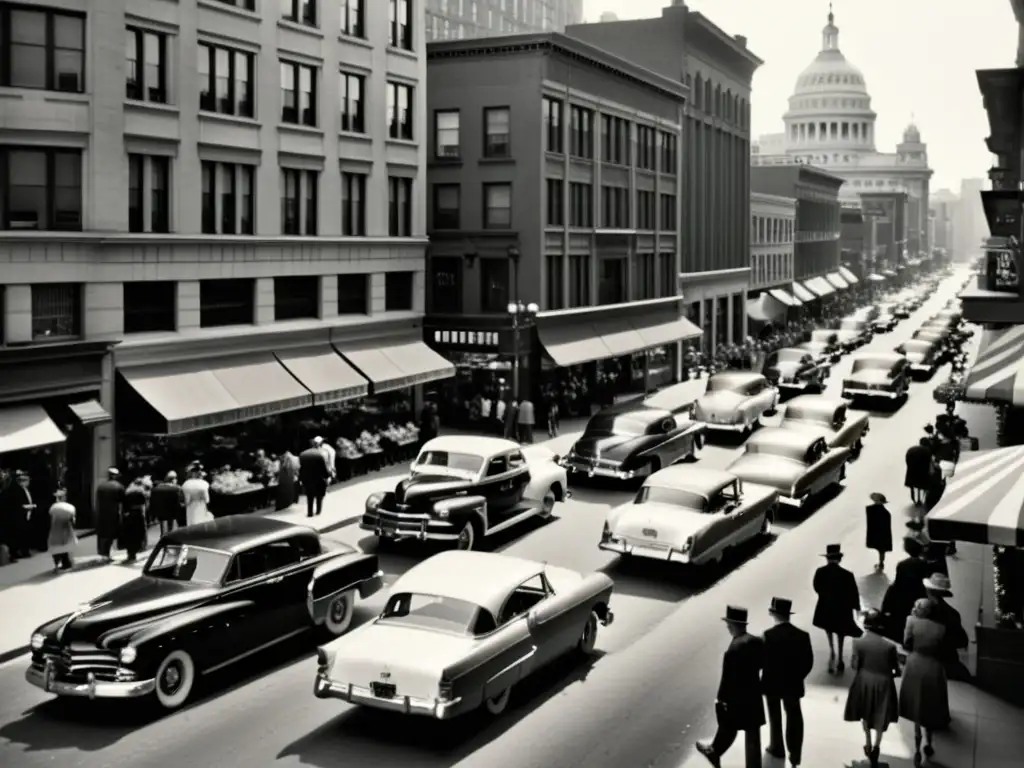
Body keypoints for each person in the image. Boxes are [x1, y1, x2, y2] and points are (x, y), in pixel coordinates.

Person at [695, 606, 765, 768]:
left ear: (732, 625)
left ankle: (714, 752)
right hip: (754, 694)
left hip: (737, 697)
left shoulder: (733, 650)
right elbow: (763, 664)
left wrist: (721, 699)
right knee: (752, 732)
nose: (727, 627)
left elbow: (727, 679)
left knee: (729, 726)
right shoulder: (757, 642)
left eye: (728, 624)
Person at [843, 609, 900, 767]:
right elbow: (895, 670)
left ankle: (867, 742)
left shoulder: (858, 642)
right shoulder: (889, 646)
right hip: (884, 683)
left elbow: (854, 665)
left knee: (865, 713)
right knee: (881, 715)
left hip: (864, 681)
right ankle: (877, 746)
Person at [761, 597, 813, 767]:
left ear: (772, 613)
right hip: (793, 682)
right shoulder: (803, 636)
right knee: (794, 715)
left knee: (775, 716)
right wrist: (798, 676)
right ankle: (795, 753)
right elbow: (808, 662)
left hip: (772, 682)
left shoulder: (767, 635)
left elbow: (761, 661)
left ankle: (777, 747)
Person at [900, 598, 951, 765]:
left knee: (916, 706)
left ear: (922, 609)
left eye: (917, 606)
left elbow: (906, 643)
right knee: (930, 705)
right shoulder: (941, 628)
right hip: (934, 667)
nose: (914, 608)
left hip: (915, 664)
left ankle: (916, 748)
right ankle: (929, 743)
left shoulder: (911, 621)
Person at [812, 544, 863, 675]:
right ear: (839, 559)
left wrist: (825, 595)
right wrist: (856, 608)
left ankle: (832, 651)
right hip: (842, 607)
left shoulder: (820, 572)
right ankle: (840, 656)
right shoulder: (847, 575)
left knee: (828, 629)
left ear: (827, 559)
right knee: (841, 632)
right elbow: (853, 592)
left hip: (826, 606)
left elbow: (816, 587)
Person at [880, 538, 930, 643]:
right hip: (917, 595)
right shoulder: (923, 564)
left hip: (902, 597)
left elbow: (897, 583)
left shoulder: (902, 565)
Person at [922, 573, 970, 681]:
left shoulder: (925, 612)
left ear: (928, 591)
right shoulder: (953, 613)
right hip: (949, 661)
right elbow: (962, 641)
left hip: (932, 662)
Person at [2, 471, 36, 560]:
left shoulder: (16, 489)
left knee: (21, 534)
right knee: (21, 534)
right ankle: (21, 552)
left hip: (20, 515)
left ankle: (19, 552)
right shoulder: (15, 490)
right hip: (18, 515)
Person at [94, 467, 125, 561]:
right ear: (116, 476)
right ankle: (109, 551)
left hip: (102, 513)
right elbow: (123, 501)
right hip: (114, 513)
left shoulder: (101, 486)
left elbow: (98, 501)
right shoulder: (119, 486)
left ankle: (104, 552)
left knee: (103, 533)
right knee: (112, 533)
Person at [46, 487, 77, 573]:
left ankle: (57, 564)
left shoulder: (53, 507)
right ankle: (67, 563)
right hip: (66, 530)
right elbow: (73, 520)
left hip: (55, 530)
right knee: (66, 547)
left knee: (55, 548)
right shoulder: (70, 507)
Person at [120, 477, 150, 563]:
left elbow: (124, 505)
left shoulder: (128, 492)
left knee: (129, 535)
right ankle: (136, 552)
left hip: (129, 515)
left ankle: (130, 554)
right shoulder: (141, 493)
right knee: (138, 534)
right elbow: (145, 505)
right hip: (138, 515)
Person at [299, 439, 330, 518]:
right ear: (315, 445)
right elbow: (323, 468)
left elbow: (301, 468)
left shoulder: (302, 455)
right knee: (319, 495)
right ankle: (318, 510)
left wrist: (301, 478)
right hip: (318, 478)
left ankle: (310, 512)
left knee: (310, 495)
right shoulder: (318, 455)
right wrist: (327, 476)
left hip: (307, 478)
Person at [864, 492, 893, 572]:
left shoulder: (872, 510)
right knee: (881, 550)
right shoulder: (886, 513)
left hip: (878, 534)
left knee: (881, 550)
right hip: (882, 534)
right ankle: (881, 562)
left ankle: (881, 563)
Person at [150, 471, 185, 535]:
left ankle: (163, 536)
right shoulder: (177, 488)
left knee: (163, 525)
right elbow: (180, 500)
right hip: (172, 510)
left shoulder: (157, 488)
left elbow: (153, 500)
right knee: (170, 525)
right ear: (173, 480)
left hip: (161, 510)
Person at [905, 438, 935, 506]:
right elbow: (929, 464)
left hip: (911, 472)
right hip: (922, 473)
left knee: (913, 486)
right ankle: (922, 500)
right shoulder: (927, 451)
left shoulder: (911, 449)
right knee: (923, 486)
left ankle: (914, 499)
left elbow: (907, 461)